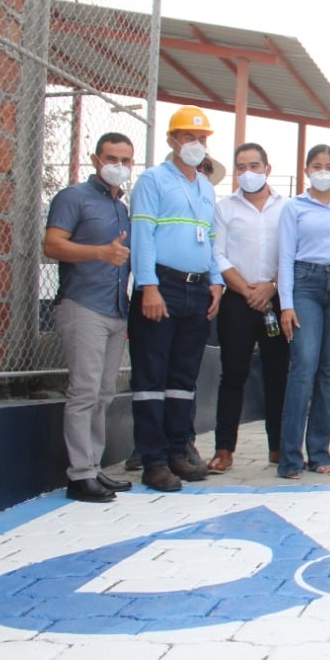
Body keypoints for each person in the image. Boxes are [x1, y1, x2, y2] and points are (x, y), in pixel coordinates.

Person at [128, 106, 222, 492]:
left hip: (197, 289)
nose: (196, 144)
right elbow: (142, 235)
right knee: (152, 376)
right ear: (172, 140)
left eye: (201, 138)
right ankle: (153, 461)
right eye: (188, 137)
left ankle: (177, 451)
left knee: (183, 378)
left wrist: (216, 281)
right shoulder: (153, 180)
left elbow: (211, 239)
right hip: (162, 285)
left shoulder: (206, 187)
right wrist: (147, 286)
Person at [44, 132, 136, 502]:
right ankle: (80, 475)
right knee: (84, 391)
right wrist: (99, 253)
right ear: (96, 160)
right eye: (111, 159)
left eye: (125, 160)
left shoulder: (121, 207)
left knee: (104, 392)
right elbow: (52, 244)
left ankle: (94, 467)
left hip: (115, 309)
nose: (118, 166)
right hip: (83, 305)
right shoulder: (73, 197)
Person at [276, 145, 330, 478]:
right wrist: (286, 304)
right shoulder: (293, 207)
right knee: (303, 365)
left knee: (329, 369)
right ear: (307, 170)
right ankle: (290, 457)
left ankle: (320, 451)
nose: (323, 171)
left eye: (329, 166)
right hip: (305, 282)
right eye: (317, 166)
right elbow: (284, 257)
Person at [209, 142, 288, 474]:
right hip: (237, 301)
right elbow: (217, 254)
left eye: (254, 166)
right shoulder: (224, 209)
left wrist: (272, 286)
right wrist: (245, 289)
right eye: (241, 167)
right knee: (233, 376)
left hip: (276, 299)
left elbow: (293, 252)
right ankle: (224, 449)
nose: (247, 172)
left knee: (277, 375)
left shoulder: (287, 207)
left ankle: (278, 447)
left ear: (267, 169)